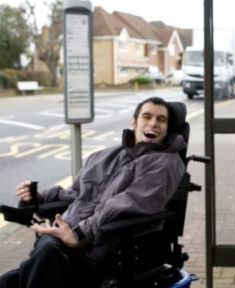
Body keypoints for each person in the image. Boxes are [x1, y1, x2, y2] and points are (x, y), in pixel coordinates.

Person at [0, 97, 186, 288]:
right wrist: (37, 197)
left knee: (45, 253)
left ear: (167, 128)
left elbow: (128, 204)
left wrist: (78, 236)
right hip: (64, 239)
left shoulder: (165, 163)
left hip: (104, 249)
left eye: (161, 120)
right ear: (134, 122)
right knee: (7, 282)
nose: (153, 123)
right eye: (147, 117)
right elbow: (76, 194)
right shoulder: (103, 156)